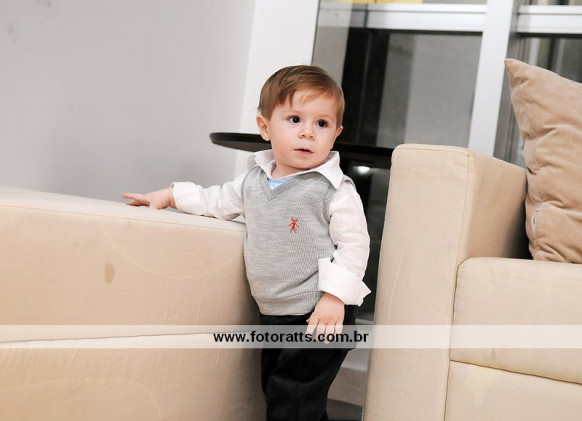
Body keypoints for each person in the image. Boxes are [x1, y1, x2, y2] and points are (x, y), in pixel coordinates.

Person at [122, 65, 370, 421]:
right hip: (275, 313)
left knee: (292, 400)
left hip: (320, 314)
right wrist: (170, 195)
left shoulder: (334, 190)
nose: (307, 133)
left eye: (321, 124)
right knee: (282, 394)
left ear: (335, 135)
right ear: (265, 127)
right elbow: (216, 200)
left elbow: (355, 246)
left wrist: (335, 299)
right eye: (295, 119)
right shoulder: (253, 181)